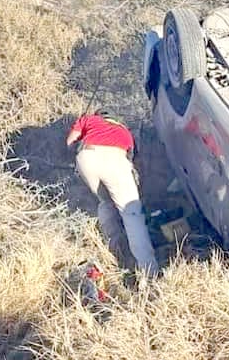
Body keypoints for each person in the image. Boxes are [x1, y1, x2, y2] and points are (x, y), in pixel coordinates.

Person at [66, 110, 159, 276]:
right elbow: (135, 161)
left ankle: (115, 249)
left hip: (87, 157)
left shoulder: (89, 120)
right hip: (116, 159)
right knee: (131, 214)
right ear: (115, 119)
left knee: (106, 202)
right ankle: (149, 271)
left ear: (99, 116)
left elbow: (69, 141)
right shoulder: (125, 131)